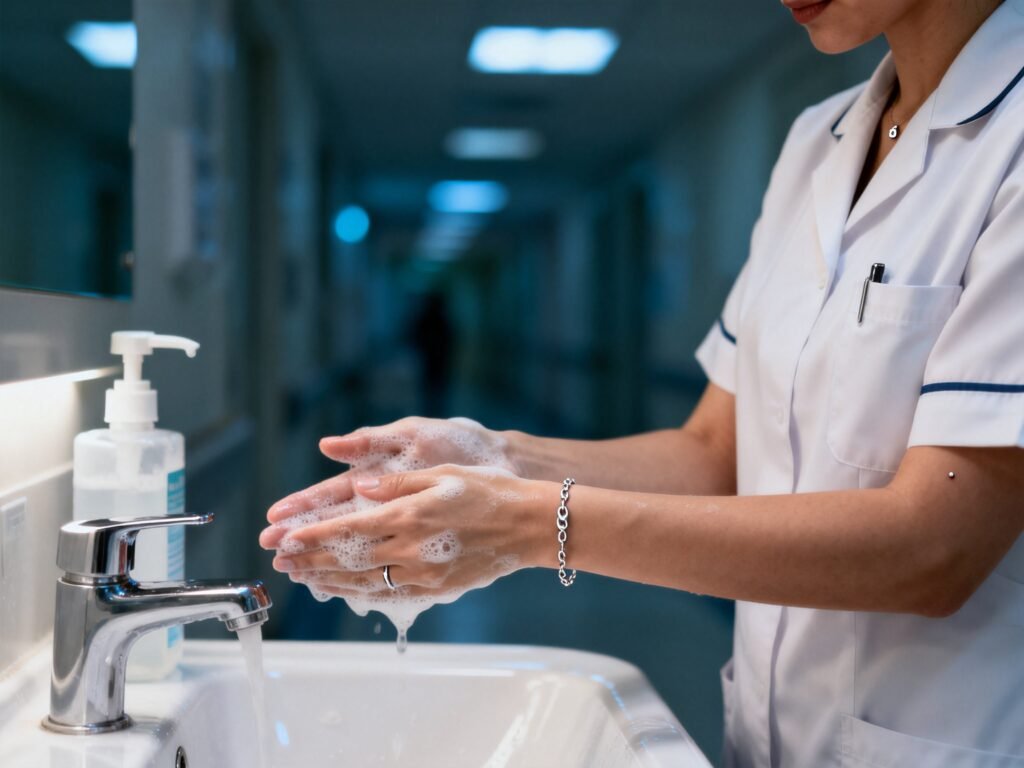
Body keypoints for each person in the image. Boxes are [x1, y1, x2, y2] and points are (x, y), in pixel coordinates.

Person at [261, 0, 1024, 764]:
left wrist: (531, 524)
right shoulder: (815, 143)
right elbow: (714, 452)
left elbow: (936, 545)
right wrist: (493, 458)